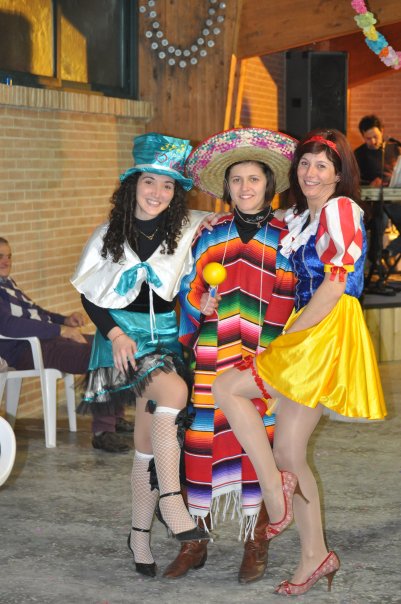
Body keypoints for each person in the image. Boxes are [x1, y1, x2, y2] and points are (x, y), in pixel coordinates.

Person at [212, 129, 387, 596]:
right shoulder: (302, 217)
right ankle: (317, 556)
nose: (311, 172)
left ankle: (273, 490)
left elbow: (334, 285)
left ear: (339, 174)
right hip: (309, 325)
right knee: (290, 452)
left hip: (324, 327)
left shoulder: (341, 210)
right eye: (305, 164)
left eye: (322, 166)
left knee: (228, 387)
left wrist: (289, 337)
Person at [71, 132, 211, 578]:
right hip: (124, 343)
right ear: (132, 185)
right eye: (150, 182)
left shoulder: (184, 230)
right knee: (173, 393)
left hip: (168, 340)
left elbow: (236, 225)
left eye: (168, 186)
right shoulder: (108, 236)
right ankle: (172, 504)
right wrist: (113, 334)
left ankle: (138, 534)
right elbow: (90, 296)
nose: (158, 193)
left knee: (147, 441)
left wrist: (200, 303)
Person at [162, 128, 297, 583]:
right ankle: (195, 539)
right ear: (227, 187)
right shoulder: (210, 232)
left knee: (259, 442)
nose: (244, 187)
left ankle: (256, 539)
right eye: (236, 180)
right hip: (212, 354)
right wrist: (197, 303)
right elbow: (190, 287)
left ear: (267, 184)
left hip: (263, 357)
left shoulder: (287, 235)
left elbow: (291, 292)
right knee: (201, 441)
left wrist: (271, 346)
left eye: (253, 179)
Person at [0, 237, 133, 453]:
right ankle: (103, 432)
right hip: (26, 350)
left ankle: (115, 418)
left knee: (111, 345)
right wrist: (60, 330)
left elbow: (37, 313)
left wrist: (64, 320)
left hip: (49, 342)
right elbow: (8, 326)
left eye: (8, 256)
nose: (6, 261)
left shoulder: (8, 283)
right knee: (102, 357)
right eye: (0, 257)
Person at [354, 114, 401, 187]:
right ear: (363, 136)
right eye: (368, 138)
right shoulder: (358, 154)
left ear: (382, 131)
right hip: (369, 195)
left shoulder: (395, 148)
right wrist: (369, 185)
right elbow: (354, 181)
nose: (373, 141)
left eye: (375, 137)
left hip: (393, 193)